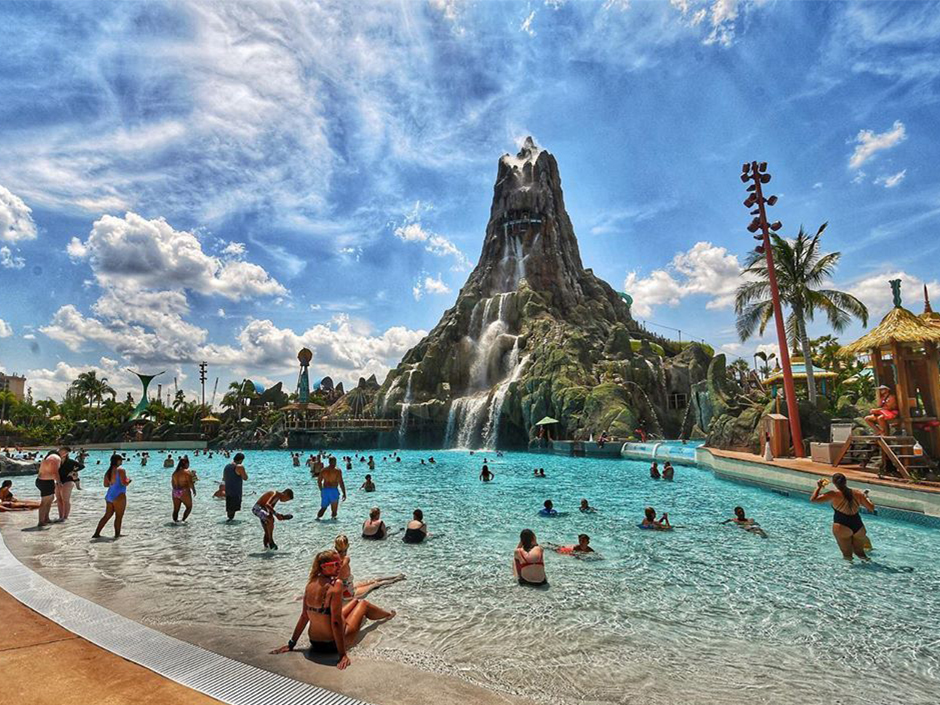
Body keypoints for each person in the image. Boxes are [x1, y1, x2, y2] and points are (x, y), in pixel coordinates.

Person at [270, 550, 396, 668]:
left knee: (354, 601)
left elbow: (304, 616)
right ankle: (388, 615)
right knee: (363, 604)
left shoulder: (310, 583)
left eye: (340, 563)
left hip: (315, 643)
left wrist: (291, 644)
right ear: (324, 567)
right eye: (335, 564)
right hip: (332, 645)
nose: (339, 567)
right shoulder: (336, 584)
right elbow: (335, 622)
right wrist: (342, 655)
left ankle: (384, 614)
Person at [810, 473, 876, 560]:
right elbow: (871, 508)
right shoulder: (858, 493)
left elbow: (813, 500)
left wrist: (819, 487)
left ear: (834, 483)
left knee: (847, 555)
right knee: (861, 553)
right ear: (846, 481)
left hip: (841, 526)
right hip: (858, 526)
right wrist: (866, 497)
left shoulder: (833, 494)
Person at [334, 534, 404, 600]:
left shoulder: (333, 558)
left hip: (348, 587)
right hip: (348, 593)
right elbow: (340, 573)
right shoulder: (346, 559)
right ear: (348, 545)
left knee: (374, 580)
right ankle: (396, 579)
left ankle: (396, 577)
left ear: (335, 547)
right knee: (376, 584)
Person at [92, 454, 130, 539]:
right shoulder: (121, 470)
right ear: (118, 461)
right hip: (119, 495)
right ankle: (117, 535)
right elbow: (124, 483)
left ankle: (96, 533)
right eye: (121, 460)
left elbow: (105, 485)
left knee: (107, 515)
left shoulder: (108, 471)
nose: (122, 462)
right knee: (119, 516)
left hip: (109, 495)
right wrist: (129, 480)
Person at [55, 446, 84, 522]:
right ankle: (60, 516)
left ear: (67, 453)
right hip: (58, 481)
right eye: (61, 451)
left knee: (65, 500)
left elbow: (81, 466)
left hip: (68, 481)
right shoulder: (56, 461)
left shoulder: (70, 461)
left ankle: (65, 517)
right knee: (59, 499)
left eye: (64, 452)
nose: (62, 453)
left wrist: (73, 472)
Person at [35, 450, 61, 527]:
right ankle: (41, 521)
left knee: (50, 499)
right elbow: (55, 472)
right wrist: (59, 482)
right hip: (45, 482)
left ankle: (46, 518)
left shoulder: (46, 460)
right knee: (45, 502)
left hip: (43, 481)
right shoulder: (54, 459)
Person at [317, 456, 347, 521]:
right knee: (334, 510)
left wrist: (321, 490)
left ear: (329, 462)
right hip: (333, 490)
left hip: (325, 490)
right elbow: (341, 482)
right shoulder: (337, 471)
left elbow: (319, 481)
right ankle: (333, 525)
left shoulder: (323, 470)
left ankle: (317, 519)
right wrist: (344, 493)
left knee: (323, 508)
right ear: (335, 462)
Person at [171, 456, 196, 522]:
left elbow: (172, 484)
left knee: (176, 509)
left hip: (175, 491)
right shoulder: (187, 472)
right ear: (186, 464)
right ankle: (183, 520)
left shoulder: (175, 473)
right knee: (189, 507)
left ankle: (175, 522)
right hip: (184, 491)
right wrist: (194, 490)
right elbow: (190, 483)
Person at [223, 453, 248, 521]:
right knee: (233, 509)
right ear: (241, 460)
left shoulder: (227, 466)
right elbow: (245, 478)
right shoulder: (239, 466)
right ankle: (231, 526)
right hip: (236, 491)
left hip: (228, 490)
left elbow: (224, 478)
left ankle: (229, 524)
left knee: (230, 509)